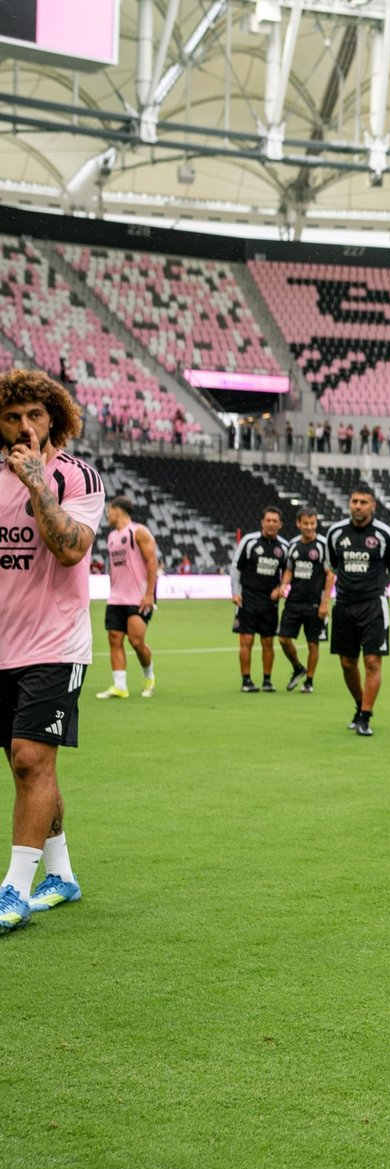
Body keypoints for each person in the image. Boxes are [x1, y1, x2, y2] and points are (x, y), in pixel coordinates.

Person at [0, 371, 104, 933]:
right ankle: (60, 873)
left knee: (28, 759)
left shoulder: (76, 477)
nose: (24, 426)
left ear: (54, 418)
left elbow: (69, 551)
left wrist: (36, 483)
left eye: (35, 415)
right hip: (2, 644)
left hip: (54, 645)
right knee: (25, 772)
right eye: (13, 416)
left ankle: (13, 890)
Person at [325, 485, 390, 736]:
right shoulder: (336, 533)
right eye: (354, 501)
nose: (358, 506)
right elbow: (333, 566)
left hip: (373, 605)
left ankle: (366, 717)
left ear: (373, 506)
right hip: (344, 604)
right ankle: (359, 706)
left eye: (363, 502)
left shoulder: (385, 534)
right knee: (348, 663)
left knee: (372, 661)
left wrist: (373, 587)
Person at [96, 496, 159, 700]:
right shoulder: (111, 536)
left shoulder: (138, 531)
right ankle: (120, 686)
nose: (107, 515)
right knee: (115, 640)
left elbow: (152, 562)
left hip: (137, 597)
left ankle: (149, 678)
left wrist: (149, 593)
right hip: (116, 598)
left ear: (118, 511)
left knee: (136, 640)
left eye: (109, 511)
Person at [230, 506, 291, 693]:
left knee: (268, 642)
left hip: (269, 603)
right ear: (262, 522)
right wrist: (235, 592)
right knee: (246, 640)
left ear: (280, 524)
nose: (271, 524)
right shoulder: (249, 541)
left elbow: (289, 573)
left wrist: (281, 588)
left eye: (275, 521)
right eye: (268, 520)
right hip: (247, 599)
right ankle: (246, 680)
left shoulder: (284, 547)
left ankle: (267, 680)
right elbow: (236, 567)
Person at [276, 508, 334, 695]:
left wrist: (325, 602)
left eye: (312, 523)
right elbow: (289, 569)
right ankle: (297, 667)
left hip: (314, 603)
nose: (309, 527)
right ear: (298, 524)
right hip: (294, 601)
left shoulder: (323, 545)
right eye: (306, 523)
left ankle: (309, 680)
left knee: (312, 643)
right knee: (284, 639)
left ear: (316, 524)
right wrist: (283, 585)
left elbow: (330, 575)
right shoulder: (293, 545)